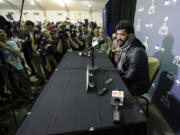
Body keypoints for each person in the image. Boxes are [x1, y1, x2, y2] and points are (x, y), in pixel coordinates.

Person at [116, 20, 149, 96]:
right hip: (129, 79)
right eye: (117, 34)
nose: (118, 38)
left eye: (122, 35)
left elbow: (130, 77)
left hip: (135, 86)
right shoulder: (126, 45)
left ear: (131, 35)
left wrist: (115, 79)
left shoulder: (136, 51)